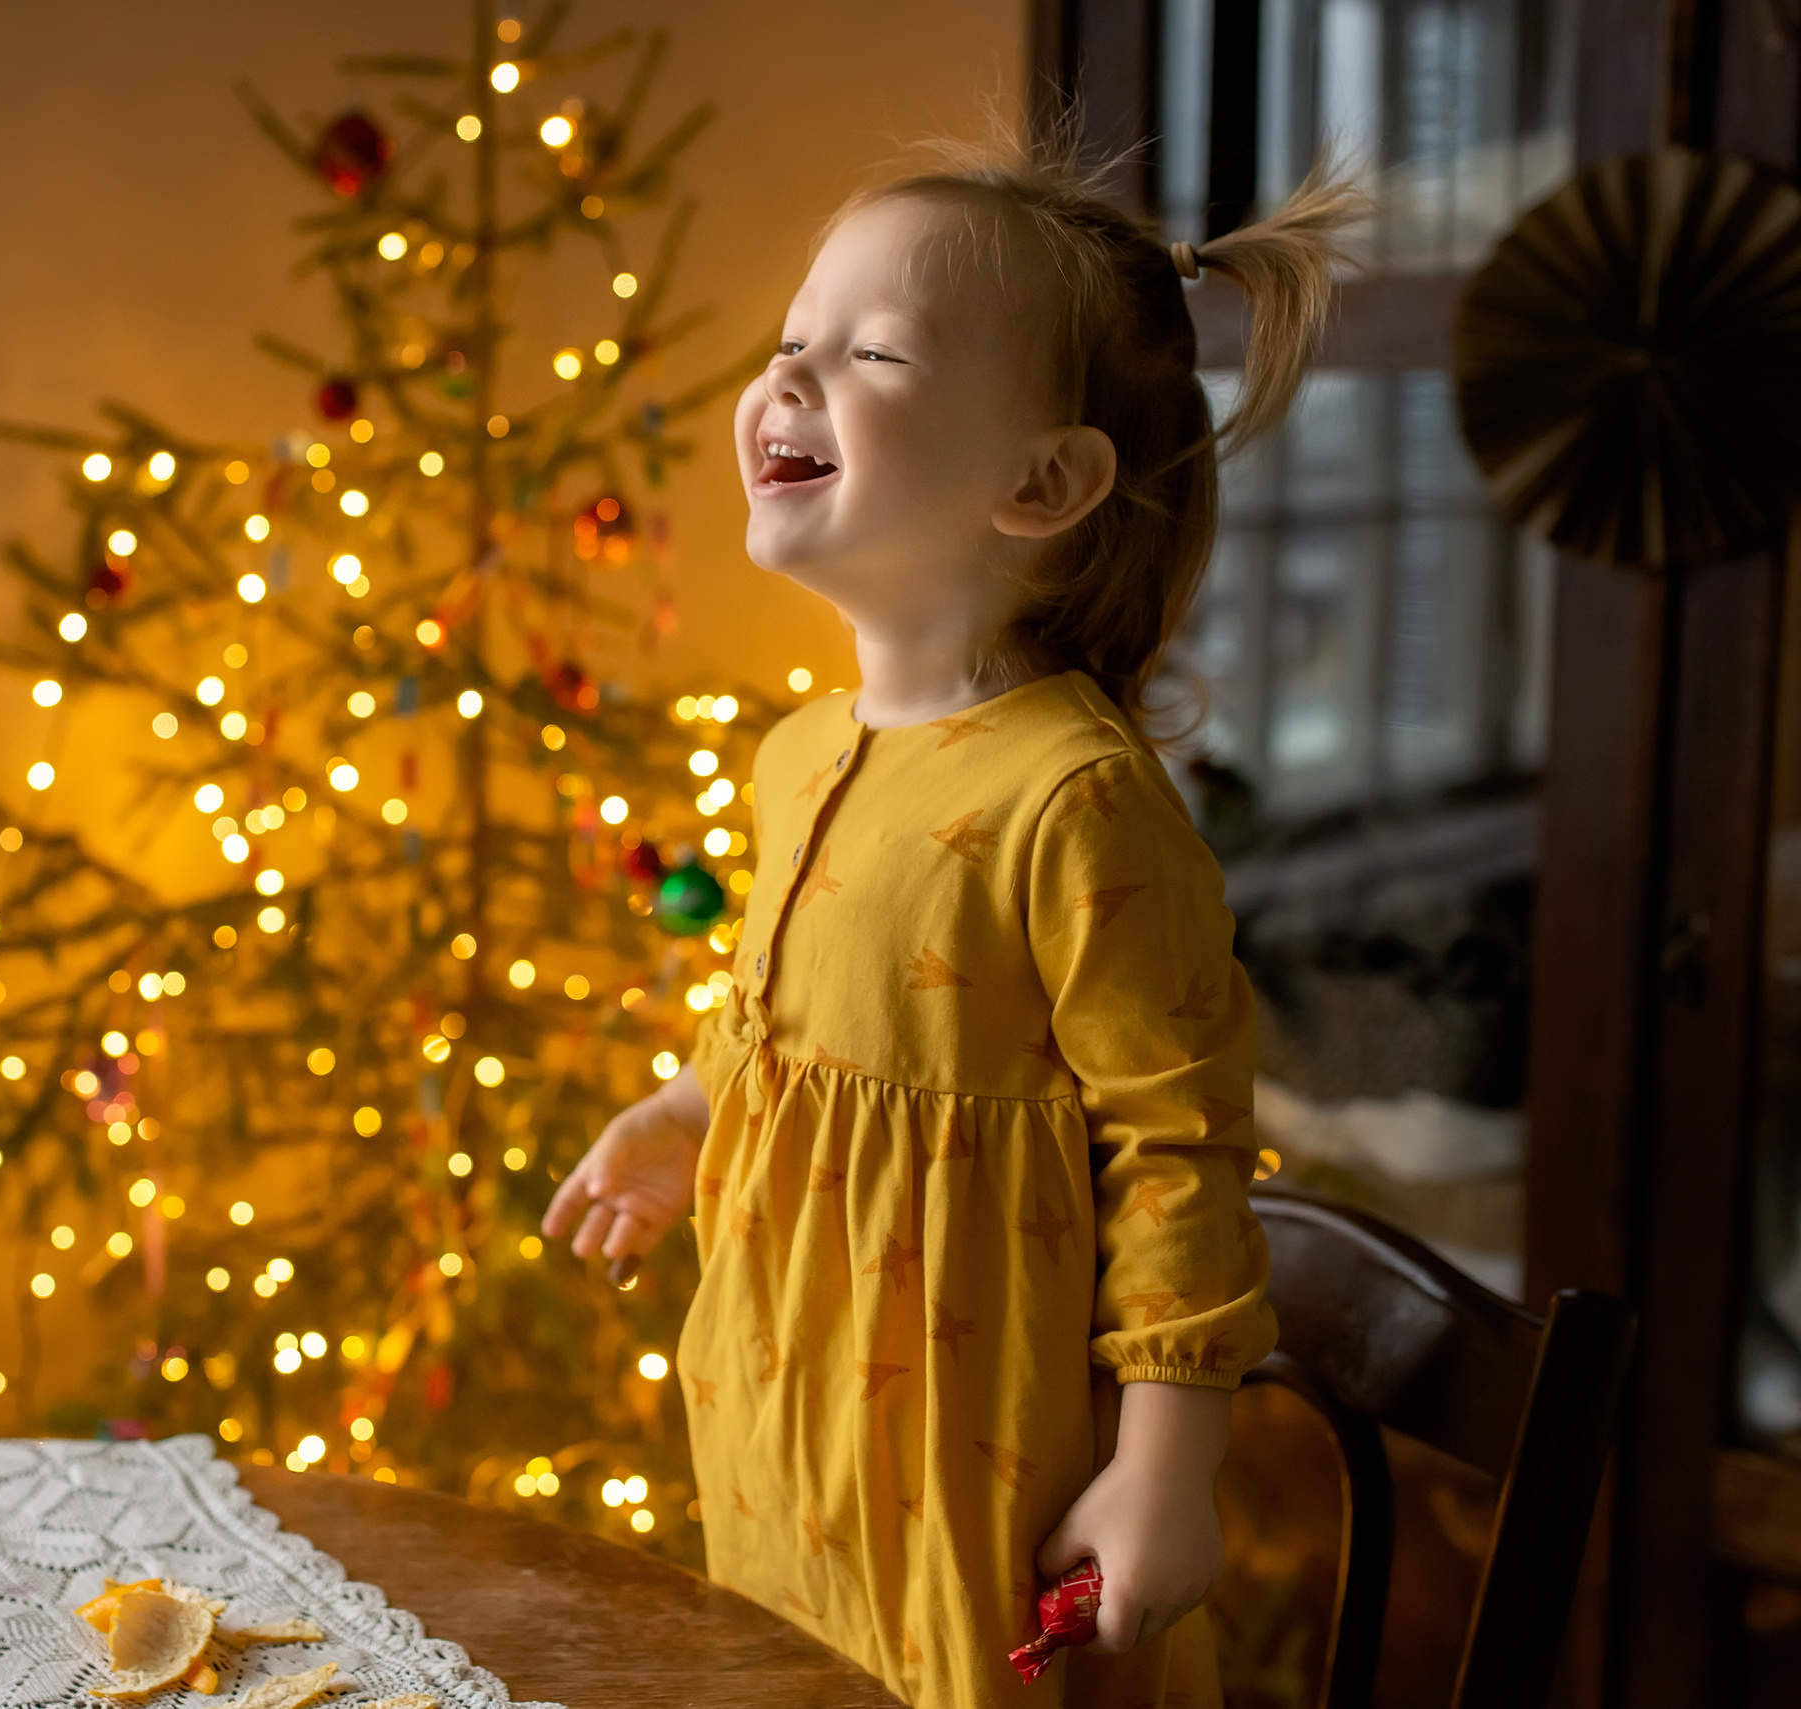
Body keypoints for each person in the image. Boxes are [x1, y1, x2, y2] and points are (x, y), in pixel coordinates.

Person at [542, 137, 1362, 1707]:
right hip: (785, 1433)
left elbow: (1180, 1152)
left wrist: (1165, 1465)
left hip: (975, 1465)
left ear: (1041, 484)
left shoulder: (1078, 801)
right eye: (793, 337)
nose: (788, 375)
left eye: (869, 353)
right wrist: (690, 1109)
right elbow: (786, 1010)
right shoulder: (797, 755)